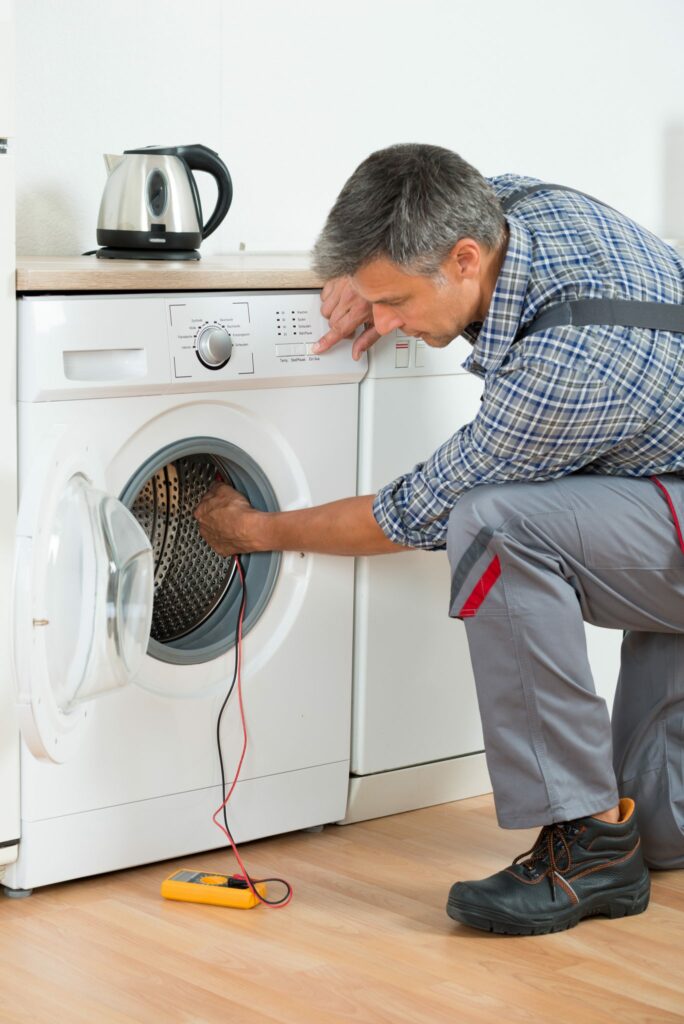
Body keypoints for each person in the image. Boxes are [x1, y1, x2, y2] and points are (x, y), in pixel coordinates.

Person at [194, 143, 684, 936]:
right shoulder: (517, 207)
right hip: (670, 465)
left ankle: (589, 845)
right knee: (663, 832)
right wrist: (368, 281)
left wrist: (258, 528)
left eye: (395, 303)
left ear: (463, 259)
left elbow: (412, 513)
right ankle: (642, 836)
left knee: (495, 524)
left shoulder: (568, 370)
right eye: (372, 299)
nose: (383, 321)